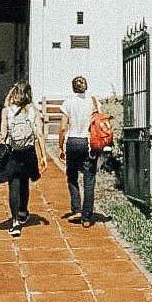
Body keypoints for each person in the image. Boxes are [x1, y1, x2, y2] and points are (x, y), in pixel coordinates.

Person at [0, 80, 47, 237]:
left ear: (14, 94)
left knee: (13, 185)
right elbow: (40, 134)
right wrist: (43, 155)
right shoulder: (34, 111)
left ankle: (15, 221)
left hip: (13, 153)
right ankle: (23, 211)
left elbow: (3, 134)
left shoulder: (6, 111)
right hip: (28, 152)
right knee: (24, 182)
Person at [58, 75, 98, 228]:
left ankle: (76, 209)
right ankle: (87, 217)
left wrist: (60, 146)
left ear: (73, 87)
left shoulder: (68, 103)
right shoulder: (94, 102)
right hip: (88, 143)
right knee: (89, 179)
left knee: (72, 176)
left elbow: (62, 128)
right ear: (86, 87)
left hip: (73, 142)